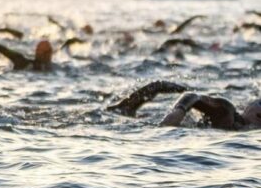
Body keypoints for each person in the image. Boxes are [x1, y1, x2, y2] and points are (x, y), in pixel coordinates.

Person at [107, 80, 261, 130]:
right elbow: (191, 95)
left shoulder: (239, 129)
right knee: (159, 86)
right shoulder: (226, 111)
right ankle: (123, 107)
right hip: (155, 122)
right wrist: (178, 112)